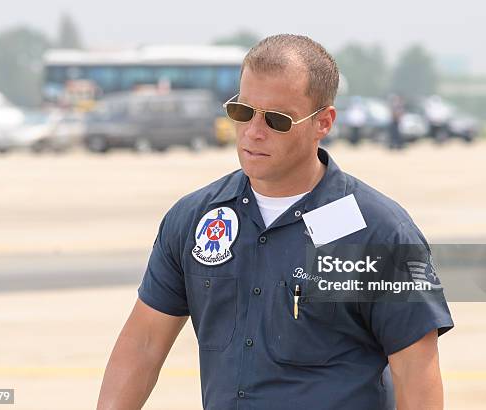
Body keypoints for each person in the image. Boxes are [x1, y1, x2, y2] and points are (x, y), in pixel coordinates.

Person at [98, 34, 454, 410]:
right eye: (242, 112)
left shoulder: (377, 234)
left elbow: (416, 375)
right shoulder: (194, 220)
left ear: (323, 122)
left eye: (277, 120)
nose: (253, 131)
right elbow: (143, 345)